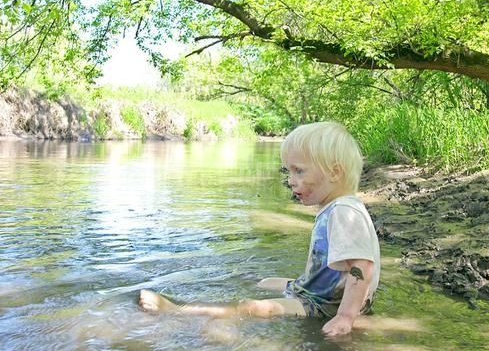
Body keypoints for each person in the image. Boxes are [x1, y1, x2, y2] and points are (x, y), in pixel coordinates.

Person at [139, 121, 380, 337]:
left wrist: (345, 316)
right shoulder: (335, 207)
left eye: (299, 171)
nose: (290, 180)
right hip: (317, 291)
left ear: (334, 172)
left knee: (254, 307)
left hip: (326, 305)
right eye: (289, 171)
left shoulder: (343, 212)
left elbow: (362, 266)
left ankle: (180, 310)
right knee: (266, 282)